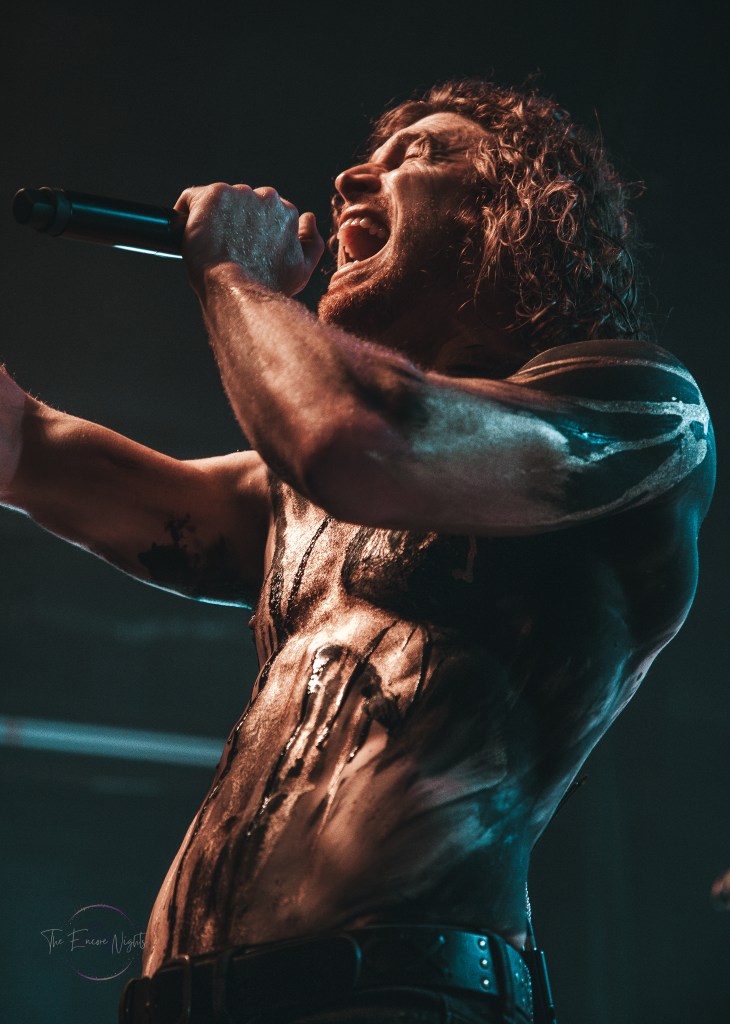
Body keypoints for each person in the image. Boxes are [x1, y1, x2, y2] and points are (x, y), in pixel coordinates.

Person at [0, 80, 715, 1024]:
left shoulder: (643, 414)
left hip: (405, 994)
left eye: (420, 154)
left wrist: (234, 275)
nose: (348, 179)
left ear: (515, 218)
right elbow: (37, 454)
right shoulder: (299, 494)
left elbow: (355, 440)